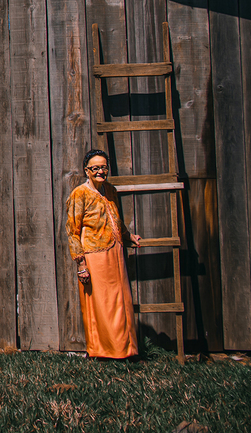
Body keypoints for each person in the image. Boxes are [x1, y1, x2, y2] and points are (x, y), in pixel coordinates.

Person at [66, 149, 142, 358]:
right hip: (95, 254)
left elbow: (115, 219)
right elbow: (72, 231)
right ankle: (104, 350)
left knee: (122, 301)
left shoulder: (110, 190)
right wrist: (81, 264)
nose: (100, 172)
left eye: (104, 167)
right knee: (103, 303)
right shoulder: (79, 194)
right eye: (95, 168)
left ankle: (126, 349)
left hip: (115, 252)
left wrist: (128, 236)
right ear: (86, 171)